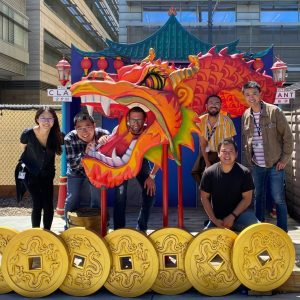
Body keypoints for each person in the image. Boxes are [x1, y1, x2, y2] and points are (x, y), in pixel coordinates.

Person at [242, 81, 293, 232]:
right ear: (244, 96)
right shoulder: (246, 114)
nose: (251, 97)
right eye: (247, 94)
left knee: (278, 199)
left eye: (254, 93)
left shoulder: (274, 112)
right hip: (257, 165)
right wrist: (249, 161)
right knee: (258, 197)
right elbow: (246, 140)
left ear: (260, 94)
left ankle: (282, 232)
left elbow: (288, 138)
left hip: (275, 164)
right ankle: (259, 231)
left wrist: (284, 160)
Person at [99, 106, 159, 233]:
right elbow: (108, 144)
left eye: (139, 120)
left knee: (150, 193)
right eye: (133, 119)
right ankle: (119, 231)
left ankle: (142, 229)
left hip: (140, 161)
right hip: (121, 163)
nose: (135, 123)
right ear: (128, 119)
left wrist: (152, 176)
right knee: (120, 197)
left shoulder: (149, 132)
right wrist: (103, 139)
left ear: (144, 121)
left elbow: (161, 155)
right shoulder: (119, 129)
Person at [19, 106, 64, 230]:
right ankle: (36, 232)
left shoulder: (58, 135)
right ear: (37, 119)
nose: (46, 121)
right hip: (29, 171)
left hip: (47, 173)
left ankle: (47, 233)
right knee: (38, 202)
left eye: (50, 118)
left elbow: (73, 139)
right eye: (43, 117)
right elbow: (23, 149)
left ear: (54, 120)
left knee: (48, 204)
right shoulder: (27, 133)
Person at [200, 139, 258, 232]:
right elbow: (204, 198)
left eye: (231, 151)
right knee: (204, 239)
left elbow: (247, 199)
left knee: (257, 230)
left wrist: (232, 216)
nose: (227, 155)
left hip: (240, 216)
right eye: (223, 151)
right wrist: (214, 220)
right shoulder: (209, 173)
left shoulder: (244, 172)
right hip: (218, 218)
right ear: (218, 154)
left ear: (236, 154)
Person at [64, 112, 109, 229]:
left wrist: (107, 142)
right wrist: (86, 153)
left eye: (88, 127)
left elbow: (110, 158)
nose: (84, 132)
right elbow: (73, 164)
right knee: (72, 197)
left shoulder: (103, 134)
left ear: (94, 126)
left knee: (97, 197)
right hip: (77, 171)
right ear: (75, 129)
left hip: (95, 171)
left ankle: (99, 225)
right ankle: (68, 226)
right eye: (80, 128)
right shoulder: (69, 138)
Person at [192, 95, 236, 184]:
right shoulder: (200, 121)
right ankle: (206, 194)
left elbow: (229, 146)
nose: (214, 105)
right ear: (206, 106)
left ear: (220, 106)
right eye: (211, 103)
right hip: (207, 152)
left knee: (222, 178)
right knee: (196, 172)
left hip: (223, 153)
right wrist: (207, 164)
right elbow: (203, 144)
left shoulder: (227, 121)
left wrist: (224, 163)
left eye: (217, 103)